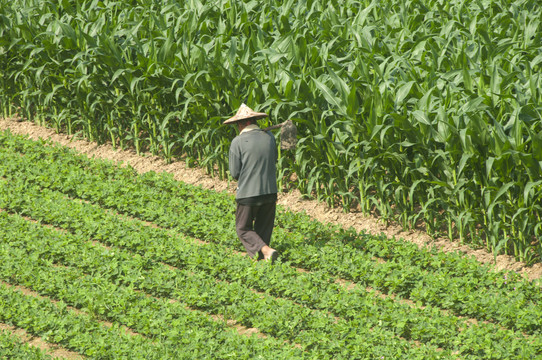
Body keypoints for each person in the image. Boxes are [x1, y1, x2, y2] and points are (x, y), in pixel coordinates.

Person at [225, 103, 279, 263]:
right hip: (270, 191)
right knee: (263, 229)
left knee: (242, 228)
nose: (237, 128)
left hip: (248, 193)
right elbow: (274, 160)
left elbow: (235, 173)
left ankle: (266, 250)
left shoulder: (238, 142)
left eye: (238, 125)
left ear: (245, 123)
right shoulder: (270, 137)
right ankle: (265, 259)